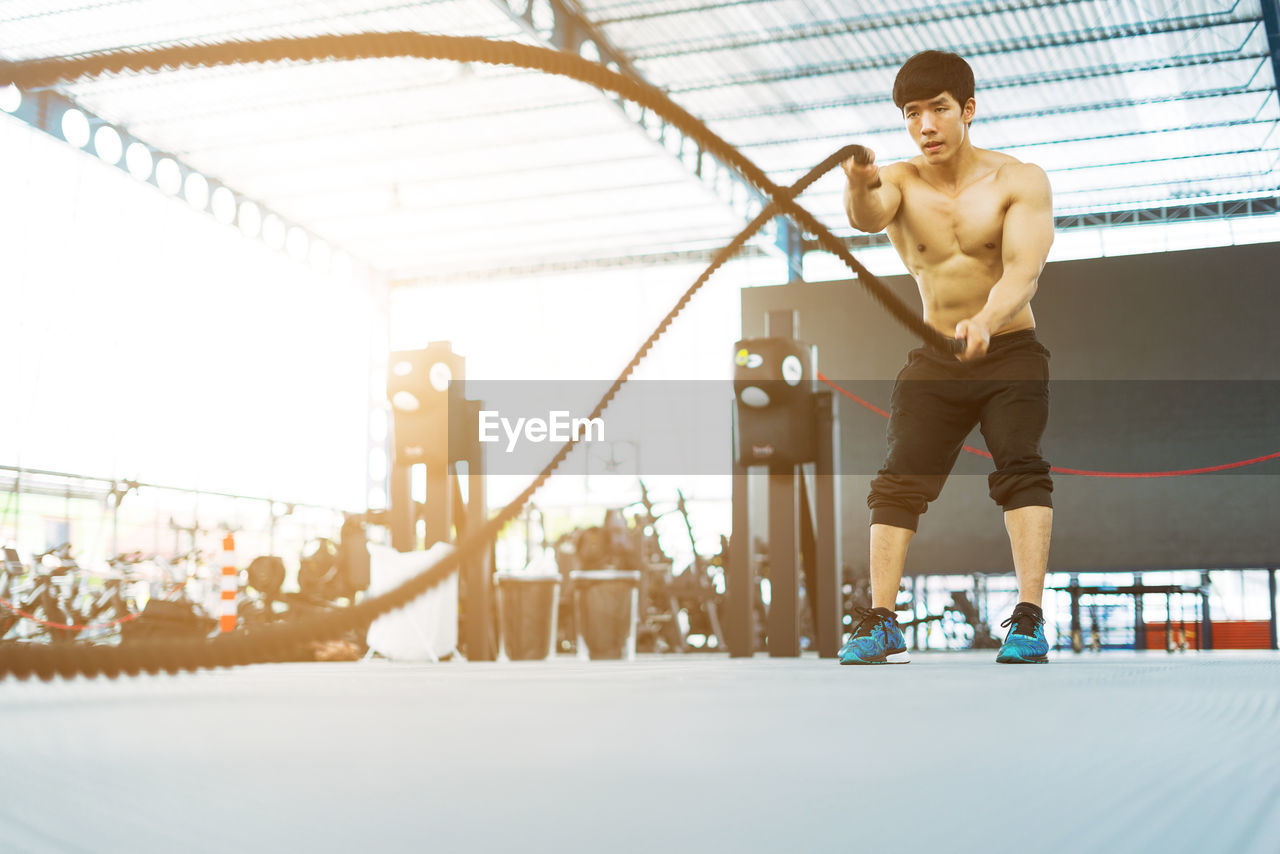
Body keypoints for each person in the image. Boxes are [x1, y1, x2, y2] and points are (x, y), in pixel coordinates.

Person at [838, 50, 1055, 665]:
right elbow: (867, 217)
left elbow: (1024, 271)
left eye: (937, 109)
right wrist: (857, 182)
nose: (925, 126)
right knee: (898, 479)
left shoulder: (1019, 180)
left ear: (968, 109)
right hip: (935, 357)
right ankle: (882, 622)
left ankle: (1030, 621)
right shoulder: (901, 181)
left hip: (1009, 349)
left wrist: (987, 321)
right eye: (912, 114)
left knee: (1021, 467)